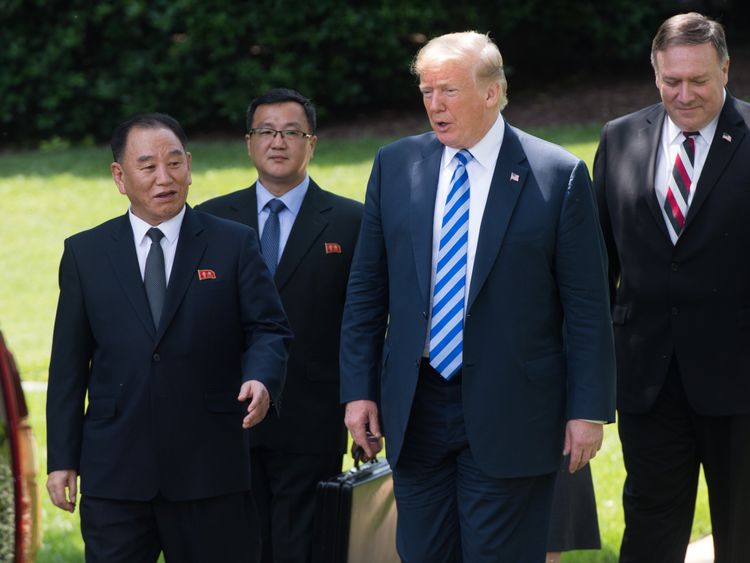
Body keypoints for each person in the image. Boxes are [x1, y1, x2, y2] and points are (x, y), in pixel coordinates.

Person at [340, 31, 616, 562]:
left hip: (515, 411)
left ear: (492, 93)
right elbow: (366, 290)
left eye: (448, 91)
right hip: (416, 409)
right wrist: (359, 390)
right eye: (426, 92)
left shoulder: (556, 175)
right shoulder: (395, 166)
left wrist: (588, 410)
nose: (434, 106)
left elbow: (586, 308)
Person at [45, 112, 292, 563]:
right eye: (148, 166)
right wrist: (62, 458)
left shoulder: (233, 244)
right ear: (120, 177)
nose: (165, 178)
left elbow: (269, 328)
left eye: (175, 163)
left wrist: (261, 377)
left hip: (210, 470)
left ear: (190, 166)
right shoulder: (85, 253)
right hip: (116, 473)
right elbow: (67, 365)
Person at [594, 12, 750, 563]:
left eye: (699, 80)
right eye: (670, 81)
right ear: (655, 74)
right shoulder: (618, 139)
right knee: (650, 531)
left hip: (740, 382)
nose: (684, 95)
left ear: (726, 70)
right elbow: (599, 265)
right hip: (647, 380)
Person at [196, 88, 363, 563]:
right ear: (249, 142)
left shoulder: (352, 222)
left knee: (304, 546)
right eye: (266, 131)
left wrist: (363, 402)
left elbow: (364, 322)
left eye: (292, 132)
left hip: (314, 418)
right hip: (227, 417)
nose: (278, 142)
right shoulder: (207, 220)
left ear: (312, 143)